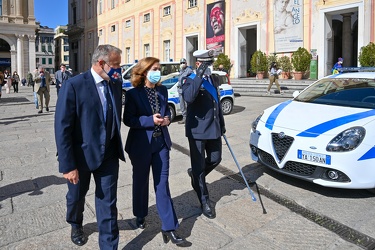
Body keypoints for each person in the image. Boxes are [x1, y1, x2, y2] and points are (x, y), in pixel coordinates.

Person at [54, 44, 125, 249]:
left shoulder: (114, 83)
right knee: (76, 197)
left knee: (108, 204)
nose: (119, 70)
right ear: (101, 63)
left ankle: (109, 246)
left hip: (109, 154)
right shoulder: (74, 85)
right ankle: (75, 223)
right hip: (81, 156)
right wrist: (68, 165)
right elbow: (63, 127)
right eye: (116, 65)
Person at [123, 57, 186, 245]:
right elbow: (129, 120)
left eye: (159, 68)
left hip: (161, 145)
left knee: (162, 185)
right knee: (140, 182)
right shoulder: (133, 94)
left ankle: (170, 227)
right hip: (141, 145)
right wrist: (150, 120)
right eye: (154, 68)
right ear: (144, 71)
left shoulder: (162, 90)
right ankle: (140, 214)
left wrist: (166, 119)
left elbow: (166, 112)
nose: (158, 71)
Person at [182, 49, 226, 219]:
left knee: (216, 159)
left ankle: (195, 175)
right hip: (197, 131)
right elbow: (189, 97)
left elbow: (217, 104)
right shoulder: (189, 79)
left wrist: (221, 124)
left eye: (211, 64)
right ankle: (204, 200)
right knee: (199, 167)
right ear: (199, 64)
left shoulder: (213, 79)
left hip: (214, 129)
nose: (210, 67)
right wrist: (198, 75)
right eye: (207, 64)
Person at [177, 58, 193, 124]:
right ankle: (184, 118)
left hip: (186, 90)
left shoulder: (189, 70)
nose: (182, 64)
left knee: (187, 105)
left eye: (183, 63)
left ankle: (189, 119)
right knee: (182, 105)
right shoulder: (181, 71)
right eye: (181, 63)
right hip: (180, 90)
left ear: (186, 63)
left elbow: (192, 80)